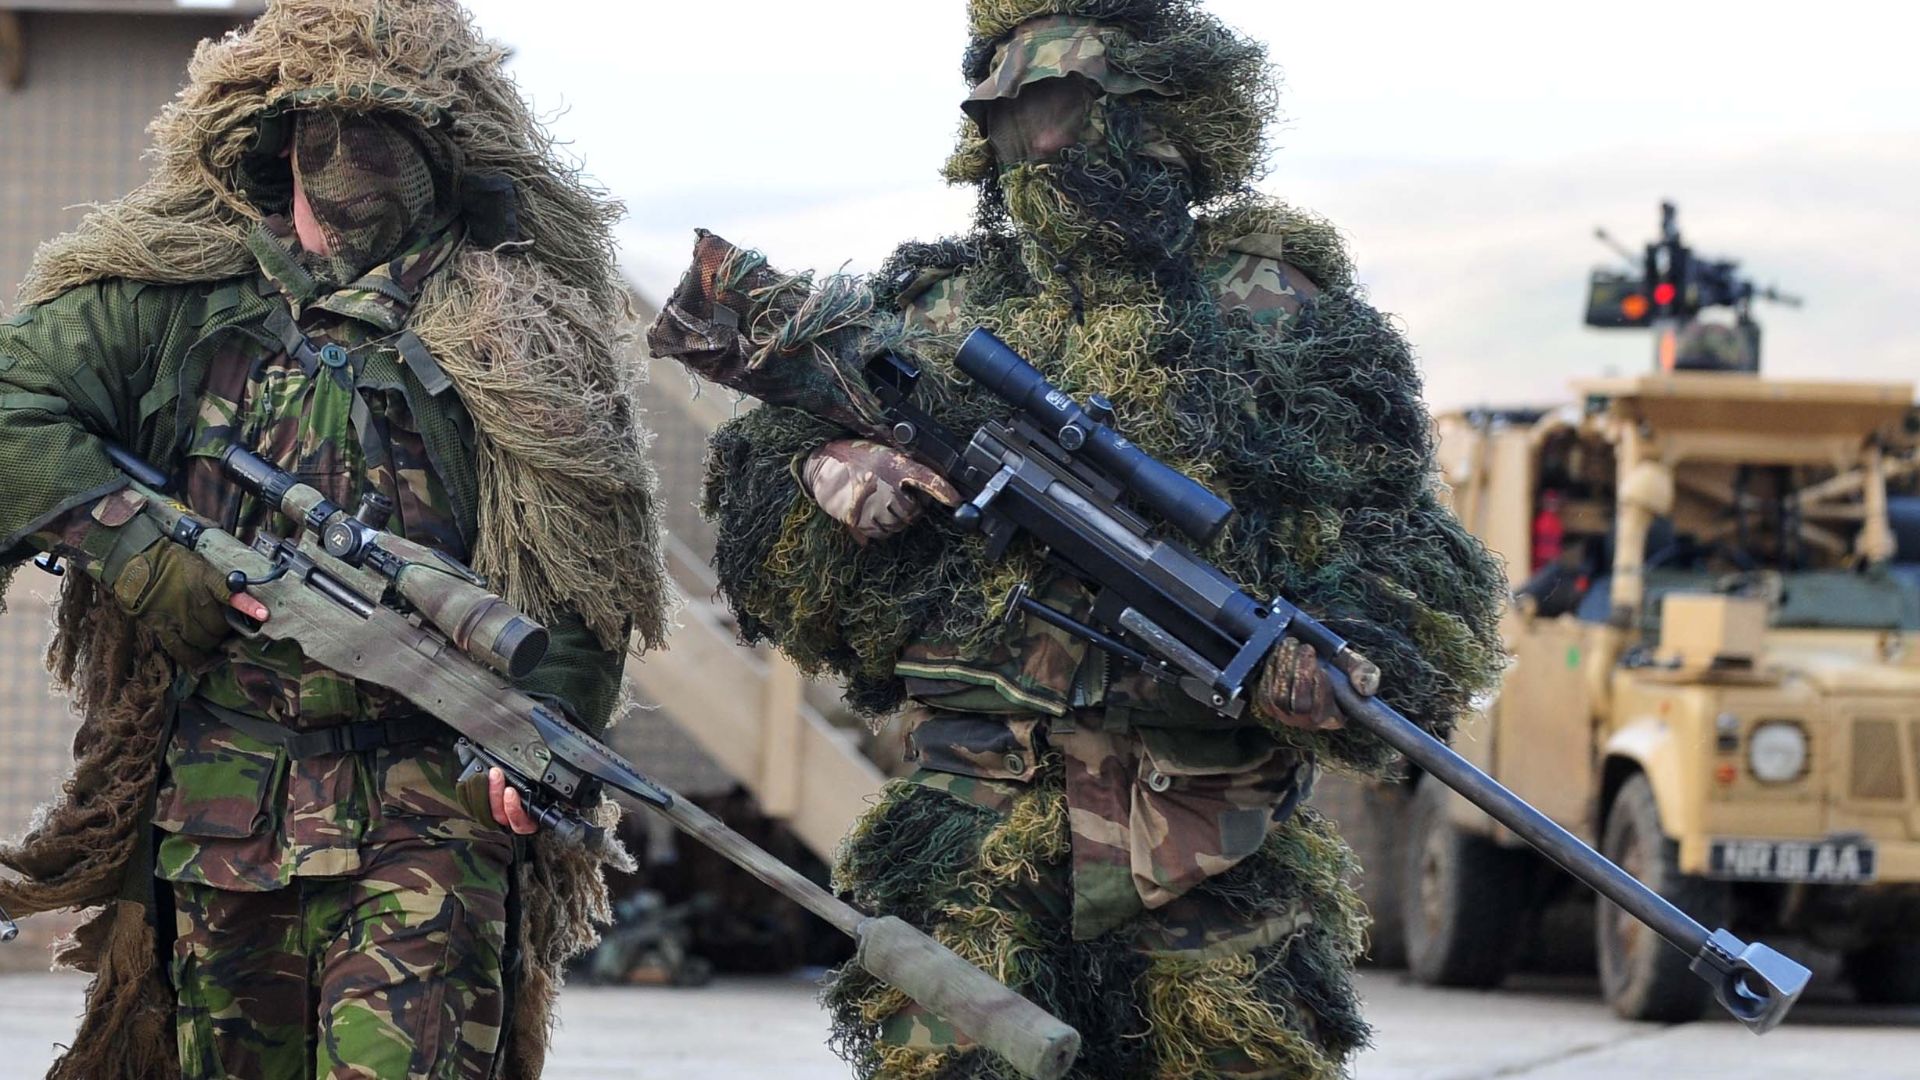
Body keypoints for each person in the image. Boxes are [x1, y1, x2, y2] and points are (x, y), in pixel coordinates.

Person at [651, 1, 1509, 1076]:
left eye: (1065, 107)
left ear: (1159, 112)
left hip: (1213, 858)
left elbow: (1412, 556)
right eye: (1010, 118)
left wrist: (1345, 649)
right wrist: (829, 477)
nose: (1043, 147)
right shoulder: (936, 314)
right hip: (968, 843)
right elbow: (768, 522)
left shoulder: (1283, 319)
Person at [0, 2, 668, 1077]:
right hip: (221, 809)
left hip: (431, 807)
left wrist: (539, 741)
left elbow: (582, 572)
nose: (349, 164)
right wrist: (134, 545)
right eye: (323, 133)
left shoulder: (512, 328)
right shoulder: (176, 297)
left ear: (435, 157)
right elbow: (11, 406)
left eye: (381, 137)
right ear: (274, 145)